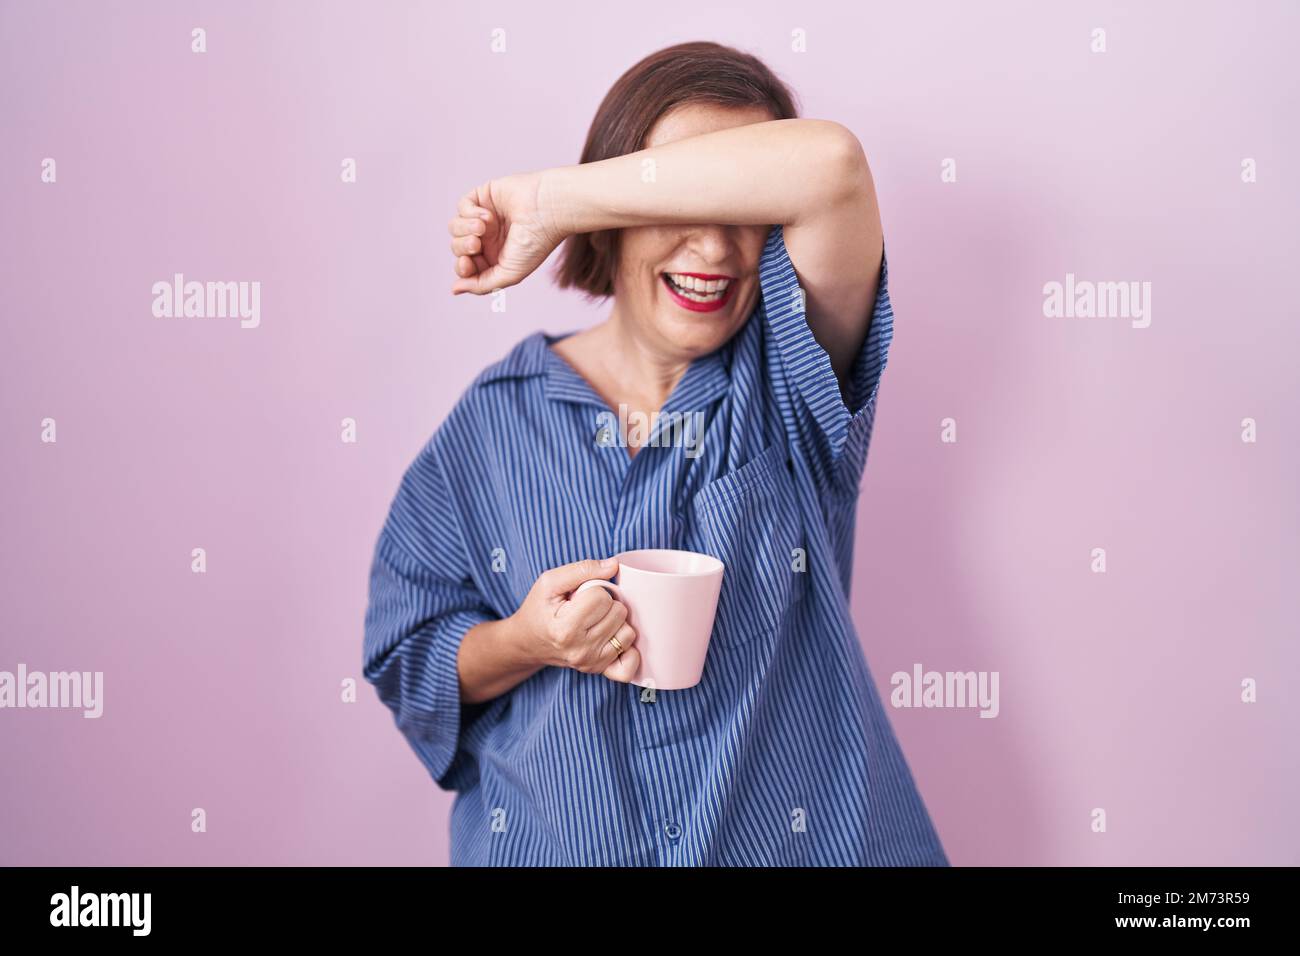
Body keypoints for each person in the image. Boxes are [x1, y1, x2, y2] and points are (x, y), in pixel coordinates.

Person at [363, 40, 948, 866]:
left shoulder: (790, 380)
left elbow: (834, 165)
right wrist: (530, 641)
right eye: (676, 195)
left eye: (742, 205)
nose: (713, 250)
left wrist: (548, 200)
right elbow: (409, 654)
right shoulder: (493, 426)